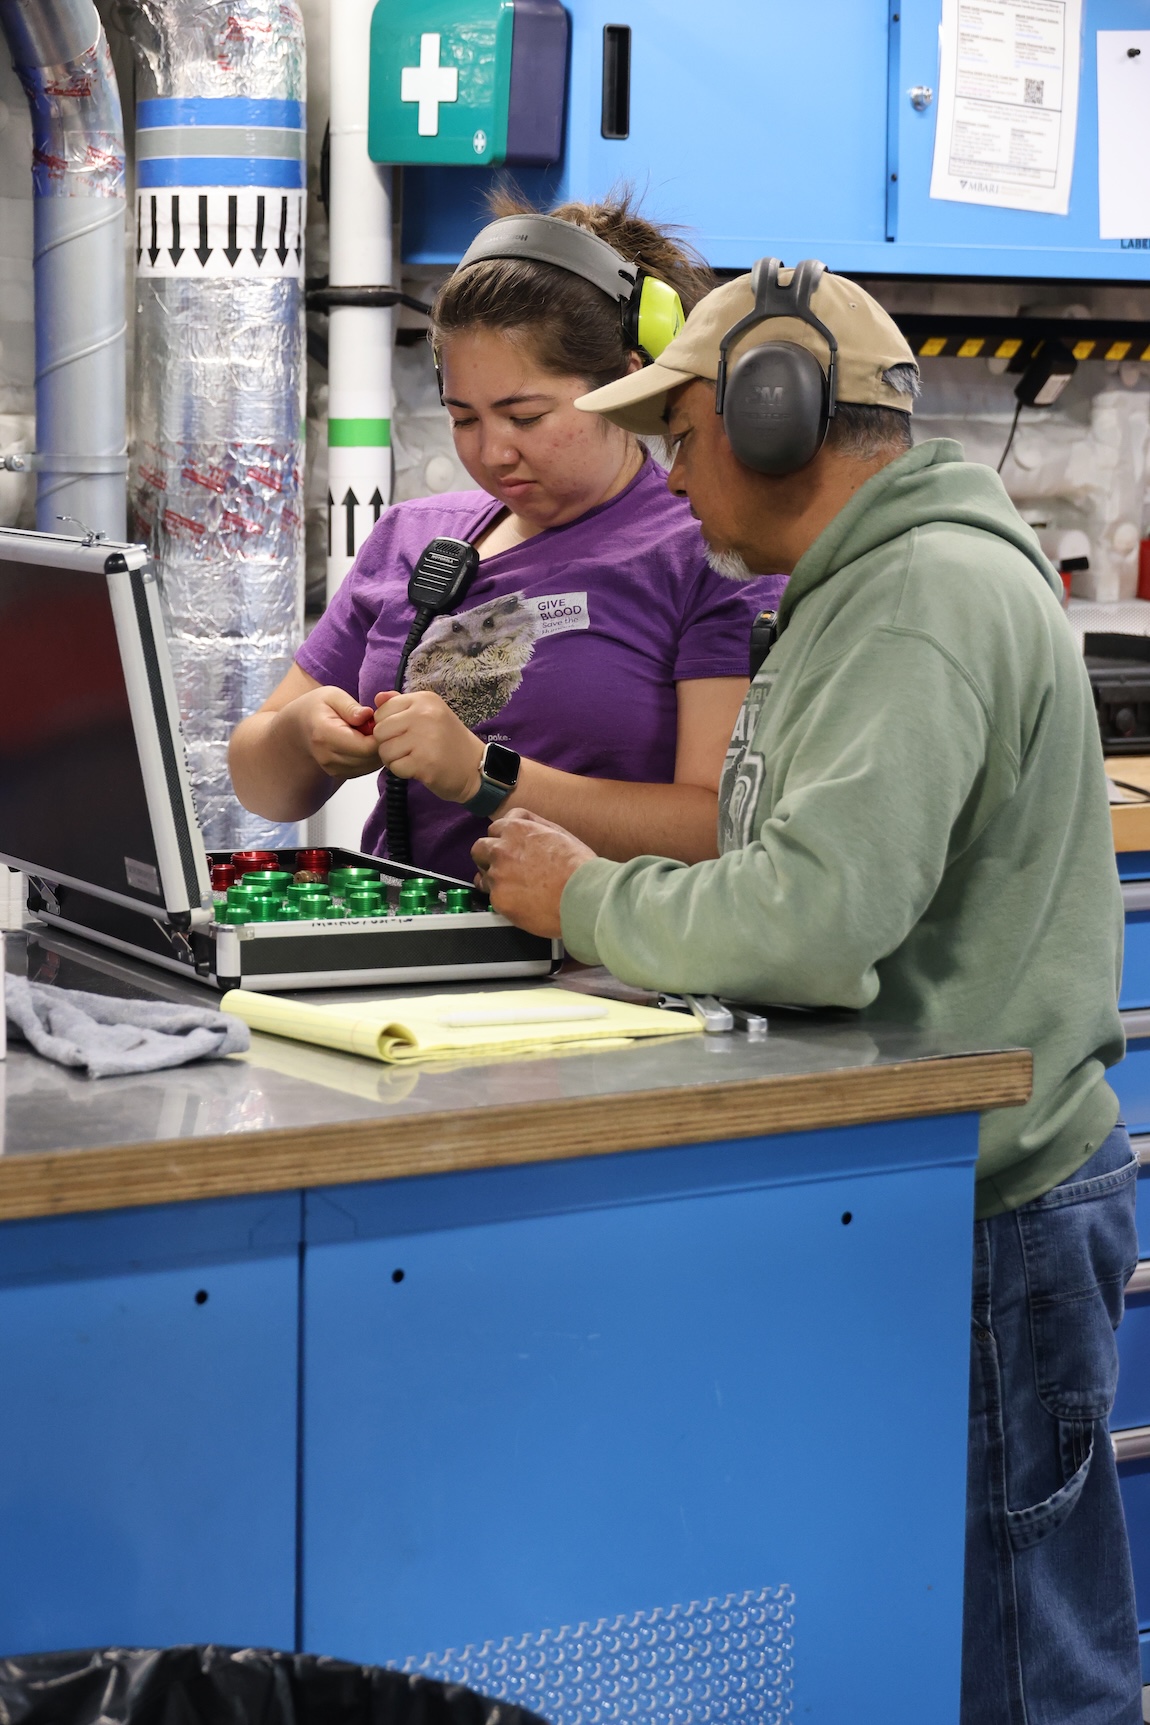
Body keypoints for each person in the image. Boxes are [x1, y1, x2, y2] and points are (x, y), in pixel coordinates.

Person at [474, 261, 1140, 1724]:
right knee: (949, 1642)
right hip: (941, 1196)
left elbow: (814, 921)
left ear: (769, 416)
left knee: (1027, 1673)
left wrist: (582, 896)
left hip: (994, 1212)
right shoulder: (855, 590)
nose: (671, 475)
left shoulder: (915, 601)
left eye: (681, 435)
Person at [228, 195, 784, 880]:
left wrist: (484, 776)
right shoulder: (412, 539)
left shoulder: (712, 555)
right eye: (464, 418)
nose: (493, 453)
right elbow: (262, 785)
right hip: (404, 935)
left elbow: (719, 827)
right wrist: (299, 737)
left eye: (525, 417)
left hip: (587, 944)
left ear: (627, 383)